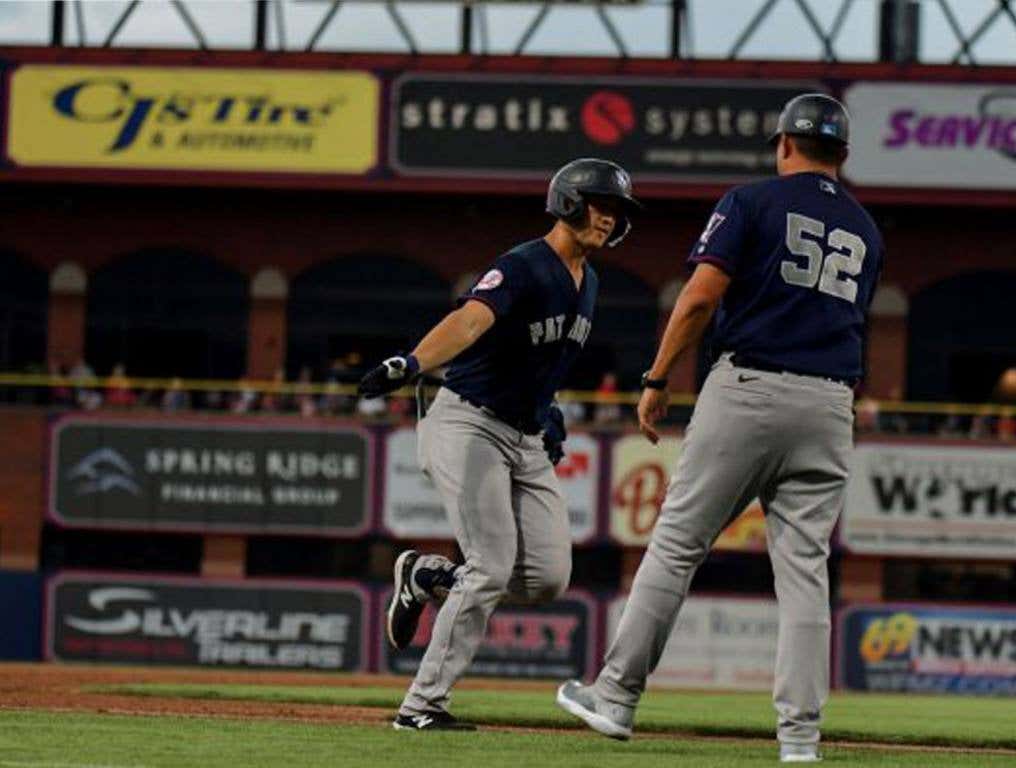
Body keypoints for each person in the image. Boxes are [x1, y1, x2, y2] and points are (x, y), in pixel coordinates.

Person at [555, 95, 883, 764]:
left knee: (678, 545)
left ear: (784, 144)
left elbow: (701, 295)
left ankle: (615, 696)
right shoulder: (868, 230)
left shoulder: (752, 201)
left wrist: (655, 379)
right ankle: (799, 740)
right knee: (805, 576)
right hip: (829, 405)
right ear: (842, 156)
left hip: (751, 388)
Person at [358, 158, 641, 731]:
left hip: (525, 434)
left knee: (546, 578)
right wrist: (411, 362)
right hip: (469, 423)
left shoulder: (591, 281)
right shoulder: (525, 265)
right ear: (567, 202)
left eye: (617, 211)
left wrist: (549, 410)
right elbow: (470, 322)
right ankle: (420, 706)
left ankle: (430, 577)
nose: (609, 219)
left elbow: (539, 358)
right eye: (600, 205)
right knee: (489, 567)